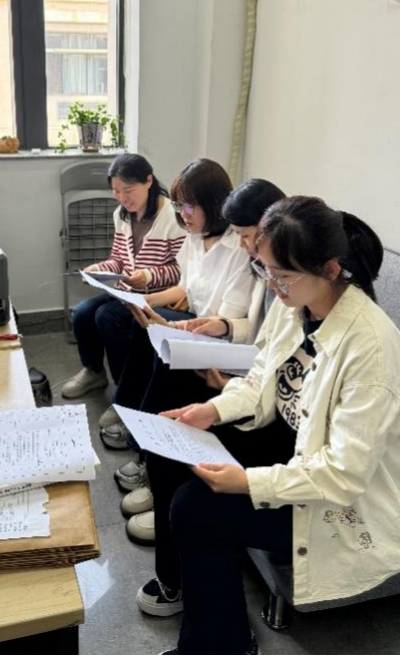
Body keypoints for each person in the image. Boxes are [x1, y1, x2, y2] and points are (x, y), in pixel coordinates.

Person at [139, 196, 400, 656]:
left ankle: (222, 646)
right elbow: (260, 379)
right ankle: (184, 588)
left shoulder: (372, 352)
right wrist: (212, 411)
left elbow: (344, 474)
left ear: (330, 269)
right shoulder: (296, 304)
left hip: (343, 496)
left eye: (282, 275)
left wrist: (247, 483)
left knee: (198, 509)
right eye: (264, 269)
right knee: (177, 446)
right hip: (297, 444)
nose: (272, 285)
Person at [122, 178, 286, 541]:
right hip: (245, 363)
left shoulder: (282, 278)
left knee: (173, 372)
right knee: (162, 353)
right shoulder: (266, 268)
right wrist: (223, 326)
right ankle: (150, 460)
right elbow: (256, 330)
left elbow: (273, 358)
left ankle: (152, 466)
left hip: (248, 371)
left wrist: (228, 381)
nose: (242, 244)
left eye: (246, 235)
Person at [101, 159, 254, 456]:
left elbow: (224, 322)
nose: (183, 215)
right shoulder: (196, 237)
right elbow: (184, 288)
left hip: (220, 337)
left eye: (189, 207)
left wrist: (172, 326)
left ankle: (144, 447)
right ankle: (129, 411)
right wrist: (144, 301)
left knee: (164, 346)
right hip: (197, 321)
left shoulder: (238, 248)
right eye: (179, 206)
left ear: (213, 203)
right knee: (139, 324)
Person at [61, 153, 186, 400]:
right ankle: (94, 372)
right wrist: (99, 268)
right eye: (116, 191)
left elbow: (182, 271)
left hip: (160, 297)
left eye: (128, 190)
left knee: (106, 317)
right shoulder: (121, 214)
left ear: (148, 181)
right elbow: (118, 258)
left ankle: (126, 391)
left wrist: (149, 276)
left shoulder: (173, 217)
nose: (122, 198)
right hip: (128, 292)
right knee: (82, 313)